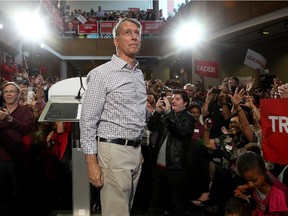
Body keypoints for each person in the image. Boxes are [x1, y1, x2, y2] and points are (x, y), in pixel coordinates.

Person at [80, 18, 146, 216]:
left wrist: (137, 145)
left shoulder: (138, 74)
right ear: (116, 41)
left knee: (125, 210)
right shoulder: (102, 74)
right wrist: (91, 162)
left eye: (137, 33)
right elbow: (88, 120)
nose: (134, 37)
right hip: (113, 152)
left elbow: (135, 114)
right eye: (127, 33)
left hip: (134, 151)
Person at [147, 90, 195, 215]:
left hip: (175, 168)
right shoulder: (166, 116)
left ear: (185, 103)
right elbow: (151, 126)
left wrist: (168, 113)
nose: (173, 101)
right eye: (172, 98)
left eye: (178, 99)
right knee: (156, 203)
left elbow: (181, 130)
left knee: (177, 205)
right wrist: (157, 111)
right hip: (159, 166)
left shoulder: (188, 118)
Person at [0, 82, 34, 216]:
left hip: (18, 159)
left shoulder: (25, 111)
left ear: (18, 94)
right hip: (1, 159)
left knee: (19, 193)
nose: (8, 94)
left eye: (12, 91)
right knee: (2, 194)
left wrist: (9, 119)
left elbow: (27, 129)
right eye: (6, 91)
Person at [236, 151, 288, 216]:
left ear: (264, 171)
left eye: (254, 180)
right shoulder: (256, 181)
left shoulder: (280, 195)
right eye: (247, 181)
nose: (250, 185)